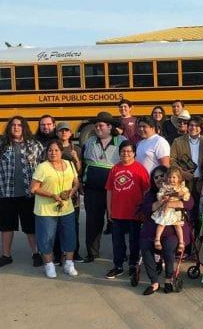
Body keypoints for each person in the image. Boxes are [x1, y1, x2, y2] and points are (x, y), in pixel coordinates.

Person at [0, 116, 44, 268]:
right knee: (6, 227)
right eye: (13, 125)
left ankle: (36, 253)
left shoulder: (35, 145)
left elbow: (44, 167)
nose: (16, 127)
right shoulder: (1, 146)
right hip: (6, 194)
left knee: (31, 227)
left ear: (24, 127)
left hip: (29, 194)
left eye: (19, 125)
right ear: (9, 128)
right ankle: (6, 256)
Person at [139, 166, 195, 295]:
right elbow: (147, 209)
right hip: (152, 231)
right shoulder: (151, 195)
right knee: (145, 246)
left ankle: (168, 279)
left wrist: (170, 203)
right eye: (156, 177)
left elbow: (189, 203)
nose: (159, 179)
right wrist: (161, 202)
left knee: (168, 247)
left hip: (173, 231)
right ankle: (154, 282)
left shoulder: (179, 190)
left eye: (162, 175)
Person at [30, 140, 81, 278]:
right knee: (46, 238)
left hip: (67, 208)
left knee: (70, 236)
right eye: (50, 151)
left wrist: (72, 190)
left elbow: (76, 181)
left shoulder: (69, 164)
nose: (53, 153)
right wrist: (52, 195)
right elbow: (34, 188)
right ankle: (49, 265)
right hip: (46, 210)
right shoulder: (43, 167)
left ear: (61, 152)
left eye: (56, 150)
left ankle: (69, 263)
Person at [81, 112, 127, 263]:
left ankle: (120, 253)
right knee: (93, 222)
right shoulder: (89, 142)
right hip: (92, 191)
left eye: (100, 125)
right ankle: (92, 253)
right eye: (96, 125)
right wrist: (81, 182)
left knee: (116, 223)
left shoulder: (121, 141)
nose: (97, 128)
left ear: (109, 126)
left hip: (116, 191)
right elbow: (83, 163)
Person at [105, 141, 150, 280]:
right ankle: (118, 266)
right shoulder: (115, 169)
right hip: (118, 212)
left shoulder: (139, 168)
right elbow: (109, 191)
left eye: (129, 151)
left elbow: (146, 190)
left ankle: (133, 265)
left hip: (134, 213)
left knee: (134, 241)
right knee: (117, 241)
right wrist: (109, 210)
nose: (126, 154)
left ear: (134, 153)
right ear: (119, 153)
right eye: (123, 151)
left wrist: (144, 210)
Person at [170, 115, 203, 238]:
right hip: (184, 183)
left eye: (197, 126)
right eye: (191, 125)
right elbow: (172, 160)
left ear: (201, 128)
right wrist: (182, 173)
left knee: (198, 213)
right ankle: (185, 242)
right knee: (185, 213)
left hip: (201, 183)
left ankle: (197, 240)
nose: (193, 128)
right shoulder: (178, 141)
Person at [53, 122, 83, 263]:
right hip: (55, 190)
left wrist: (76, 158)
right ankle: (58, 253)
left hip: (72, 191)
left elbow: (79, 170)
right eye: (61, 131)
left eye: (66, 131)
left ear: (71, 133)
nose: (64, 133)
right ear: (57, 133)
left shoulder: (76, 148)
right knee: (56, 222)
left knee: (73, 223)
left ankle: (74, 251)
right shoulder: (53, 148)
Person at [152, 167, 190, 253]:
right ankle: (157, 239)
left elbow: (187, 197)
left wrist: (183, 194)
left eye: (174, 177)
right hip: (166, 209)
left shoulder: (181, 187)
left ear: (178, 178)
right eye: (169, 177)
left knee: (178, 225)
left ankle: (181, 242)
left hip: (176, 210)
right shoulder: (165, 187)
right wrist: (162, 197)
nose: (171, 180)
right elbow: (159, 194)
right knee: (161, 223)